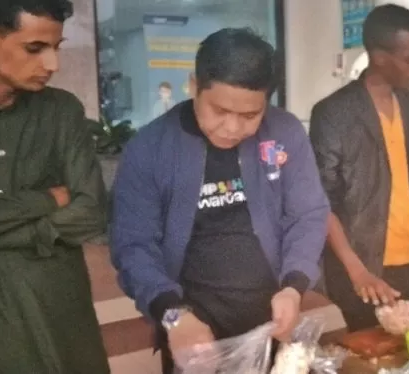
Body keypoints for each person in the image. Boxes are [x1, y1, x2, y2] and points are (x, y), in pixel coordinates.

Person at [110, 28, 329, 373]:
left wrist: (293, 287)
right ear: (194, 85)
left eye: (249, 116)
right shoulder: (150, 148)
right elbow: (134, 245)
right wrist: (172, 315)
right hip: (192, 326)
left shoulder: (285, 133)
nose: (231, 127)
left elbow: (308, 214)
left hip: (272, 317)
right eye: (219, 110)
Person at [0, 0, 111, 373]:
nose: (52, 64)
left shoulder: (62, 111)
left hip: (61, 313)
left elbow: (91, 213)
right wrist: (47, 199)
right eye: (34, 48)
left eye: (56, 47)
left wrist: (2, 234)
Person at [310, 4, 409, 332]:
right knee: (371, 359)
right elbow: (322, 204)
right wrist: (356, 271)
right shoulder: (333, 114)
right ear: (379, 56)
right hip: (364, 268)